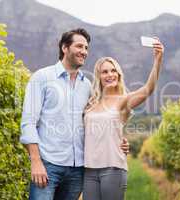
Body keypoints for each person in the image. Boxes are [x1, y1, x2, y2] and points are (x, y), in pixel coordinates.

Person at [20, 28, 129, 200]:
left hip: (77, 170)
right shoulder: (42, 77)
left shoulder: (87, 86)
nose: (84, 52)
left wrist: (119, 142)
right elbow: (28, 123)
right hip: (48, 166)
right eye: (79, 46)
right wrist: (35, 161)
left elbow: (98, 120)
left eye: (86, 48)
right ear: (65, 48)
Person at [83, 38, 164, 200]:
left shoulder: (123, 100)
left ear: (118, 74)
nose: (110, 75)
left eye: (113, 71)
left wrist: (158, 59)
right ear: (98, 76)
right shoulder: (90, 103)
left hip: (113, 169)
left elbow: (148, 89)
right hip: (88, 170)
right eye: (105, 72)